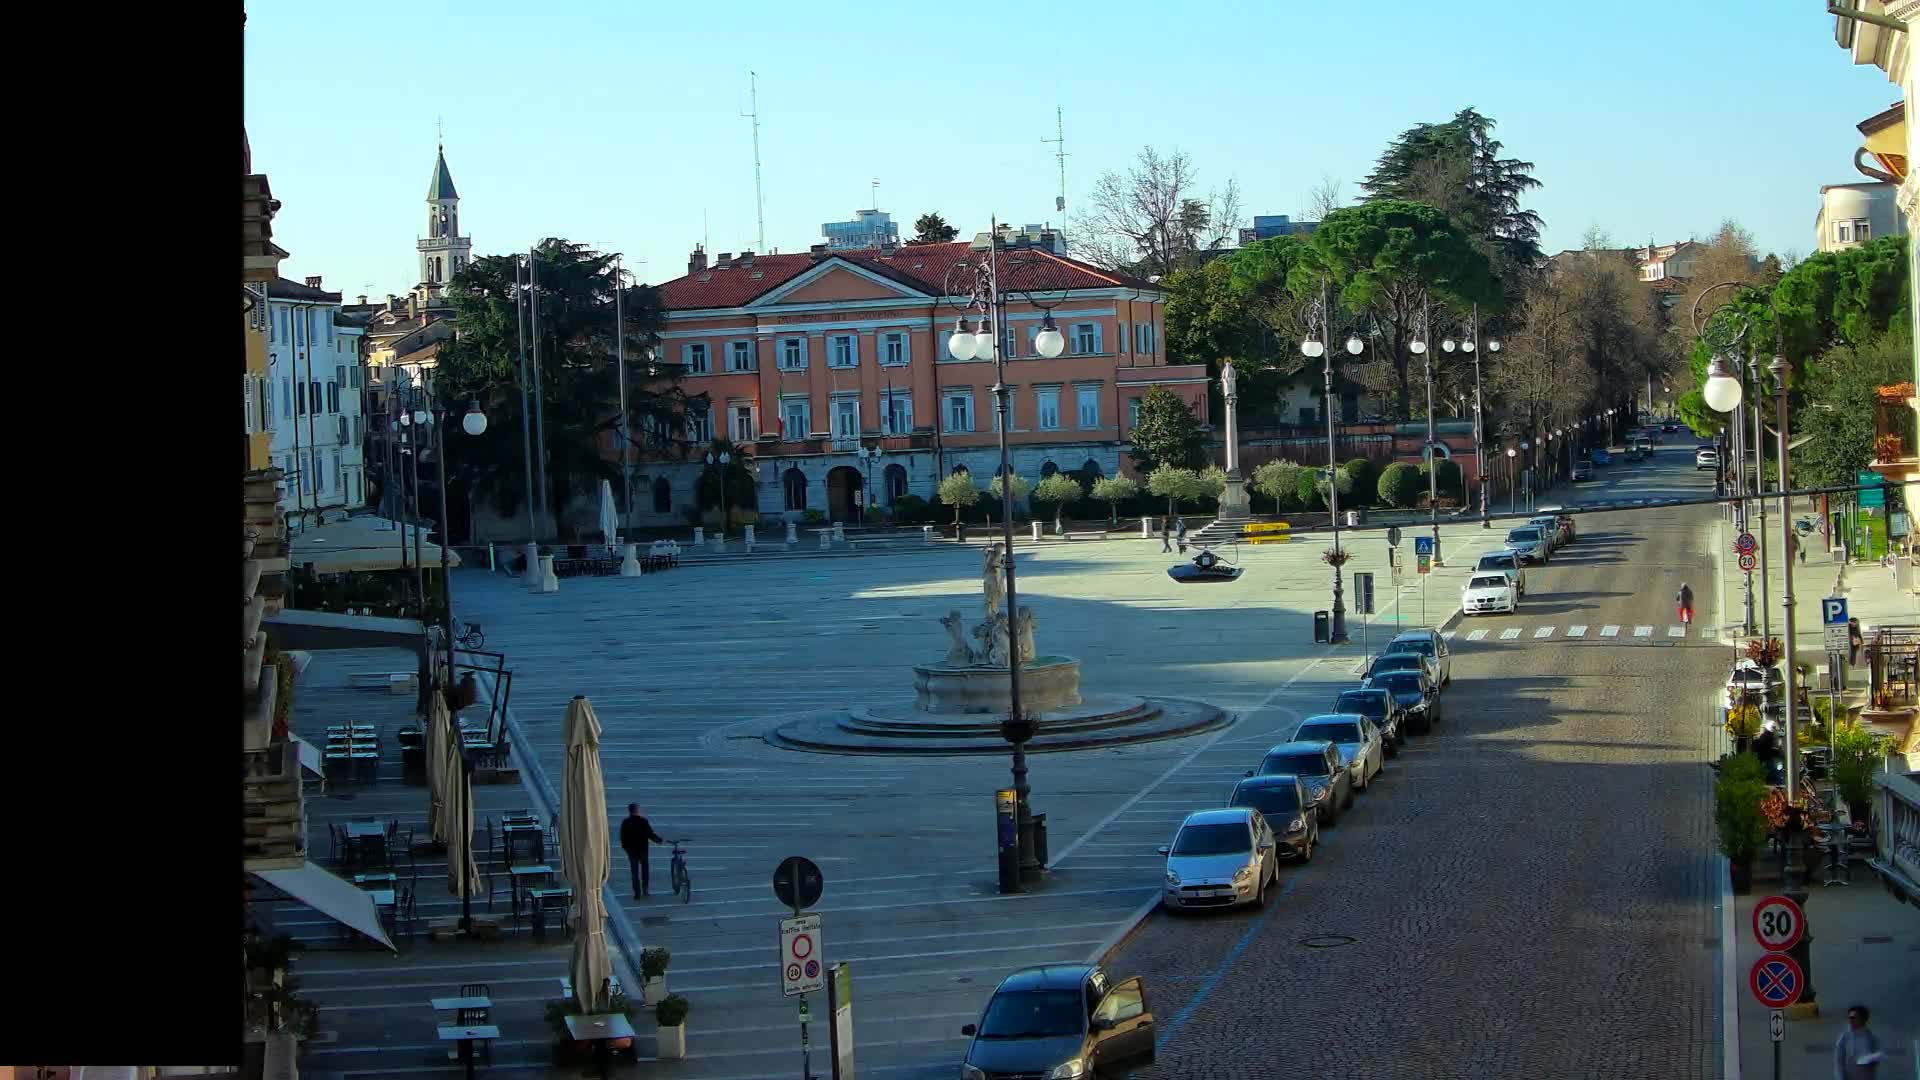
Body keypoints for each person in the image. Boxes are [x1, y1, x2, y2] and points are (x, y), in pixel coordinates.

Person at [619, 803, 665, 898]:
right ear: (638, 810)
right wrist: (658, 840)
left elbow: (623, 837)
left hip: (631, 850)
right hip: (643, 849)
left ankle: (637, 892)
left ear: (629, 810)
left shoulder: (626, 822)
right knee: (645, 870)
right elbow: (650, 833)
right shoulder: (643, 821)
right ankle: (645, 889)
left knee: (634, 872)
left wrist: (625, 848)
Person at [1833, 1003, 1884, 1078]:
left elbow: (1877, 1055)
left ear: (1863, 1019)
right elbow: (1838, 1061)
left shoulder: (1871, 1038)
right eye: (1850, 1017)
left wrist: (1874, 1061)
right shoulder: (1844, 1038)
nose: (1851, 1020)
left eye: (1854, 1018)